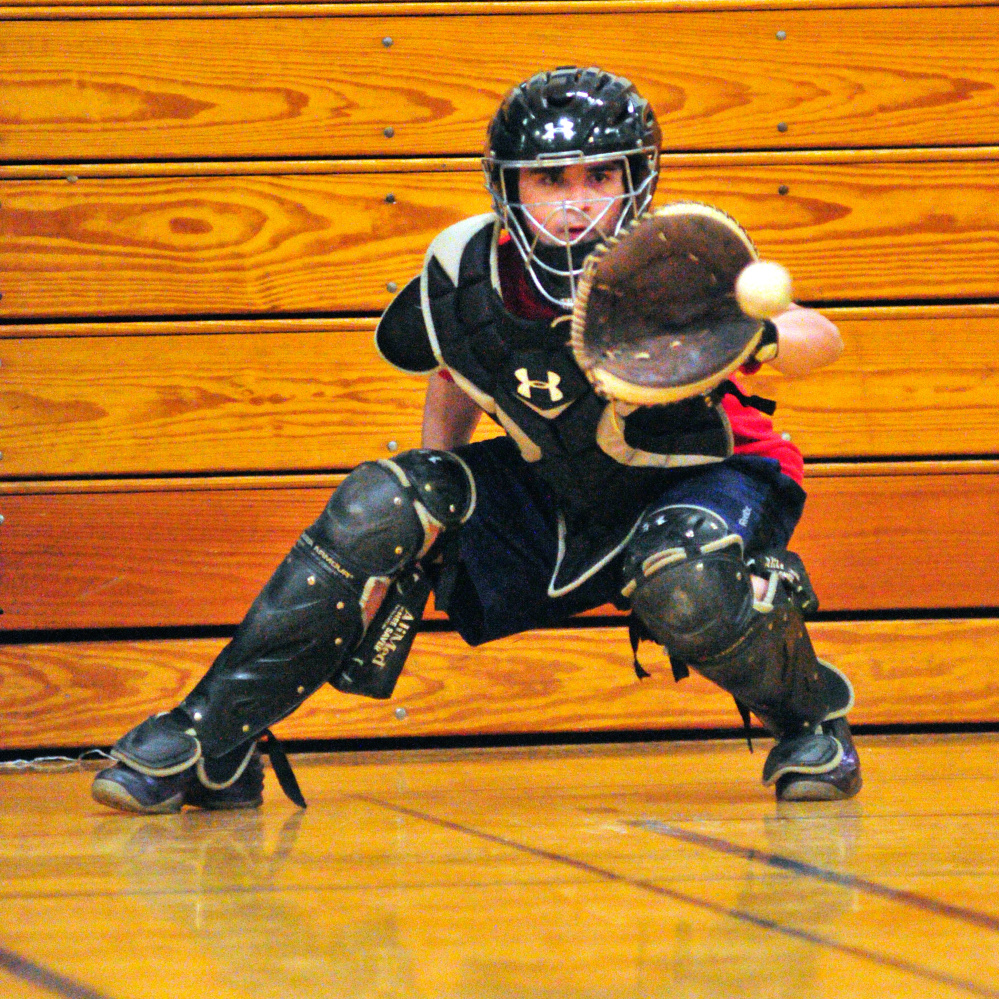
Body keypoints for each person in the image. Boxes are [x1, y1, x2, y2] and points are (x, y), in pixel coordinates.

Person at [92, 66, 861, 814]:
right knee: (381, 499)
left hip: (706, 472)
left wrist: (752, 334)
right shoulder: (461, 266)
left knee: (681, 566)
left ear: (636, 179)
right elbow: (456, 371)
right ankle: (214, 740)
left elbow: (817, 337)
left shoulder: (677, 259)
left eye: (600, 177)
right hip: (557, 481)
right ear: (508, 186)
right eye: (550, 180)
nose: (577, 205)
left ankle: (809, 720)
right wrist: (430, 510)